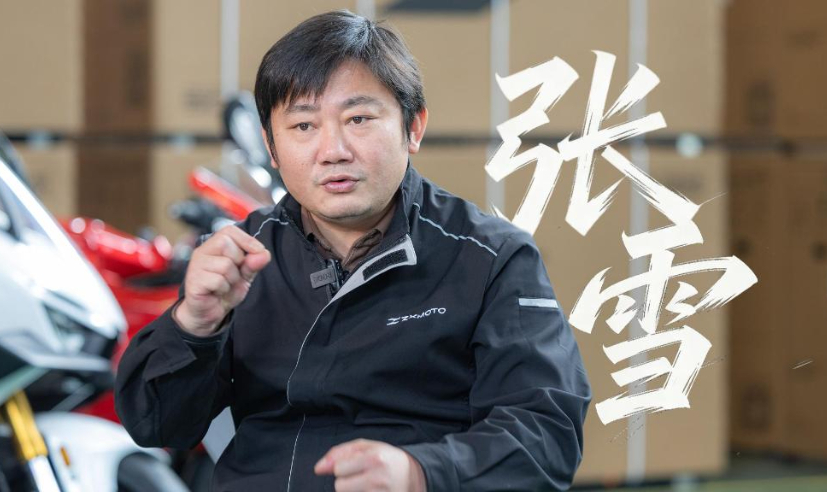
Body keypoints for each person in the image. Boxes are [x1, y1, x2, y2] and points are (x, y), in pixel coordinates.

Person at [115, 9, 591, 492]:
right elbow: (157, 426)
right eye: (303, 126)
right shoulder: (242, 258)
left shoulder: (491, 259)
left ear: (413, 127)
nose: (333, 150)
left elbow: (546, 433)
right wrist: (193, 326)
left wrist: (421, 473)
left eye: (358, 118)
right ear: (271, 148)